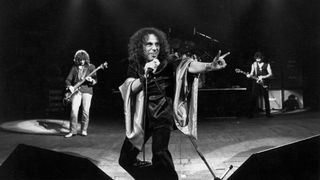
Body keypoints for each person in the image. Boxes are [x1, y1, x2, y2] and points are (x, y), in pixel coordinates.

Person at [118, 27, 229, 180]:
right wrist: (144, 74)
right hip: (142, 116)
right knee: (125, 159)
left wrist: (210, 66)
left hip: (163, 112)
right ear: (140, 47)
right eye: (149, 44)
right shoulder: (135, 64)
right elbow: (129, 87)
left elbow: (188, 65)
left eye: (157, 44)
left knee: (160, 153)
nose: (154, 48)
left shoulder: (168, 61)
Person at [64, 50, 97, 138]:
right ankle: (72, 131)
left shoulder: (91, 67)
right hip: (77, 91)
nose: (82, 61)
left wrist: (91, 80)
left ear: (86, 59)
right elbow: (68, 80)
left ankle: (84, 130)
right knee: (74, 110)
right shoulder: (74, 68)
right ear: (77, 59)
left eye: (83, 59)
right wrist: (69, 86)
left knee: (85, 111)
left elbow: (95, 80)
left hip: (88, 91)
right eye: (80, 59)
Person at [246, 51, 273, 117]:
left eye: (259, 58)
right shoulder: (254, 64)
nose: (257, 60)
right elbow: (252, 73)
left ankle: (268, 114)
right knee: (253, 97)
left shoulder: (267, 64)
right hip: (256, 82)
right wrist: (249, 75)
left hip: (264, 82)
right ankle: (250, 114)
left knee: (266, 98)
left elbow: (270, 74)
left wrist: (263, 77)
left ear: (261, 58)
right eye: (256, 58)